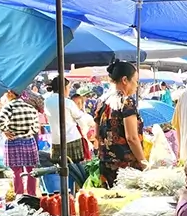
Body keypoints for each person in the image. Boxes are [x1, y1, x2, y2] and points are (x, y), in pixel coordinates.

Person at [94, 60, 146, 188]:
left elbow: (97, 135)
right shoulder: (126, 102)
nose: (137, 85)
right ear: (125, 80)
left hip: (106, 165)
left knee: (109, 199)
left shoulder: (102, 101)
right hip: (126, 169)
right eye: (136, 81)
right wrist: (144, 163)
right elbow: (132, 138)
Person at [0, 89, 41, 196]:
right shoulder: (30, 107)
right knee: (31, 170)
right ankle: (31, 195)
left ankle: (19, 195)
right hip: (29, 140)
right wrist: (28, 132)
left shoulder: (8, 107)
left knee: (16, 171)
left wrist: (5, 131)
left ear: (11, 94)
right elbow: (36, 127)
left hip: (13, 140)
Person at [45, 75, 87, 166]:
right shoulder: (68, 102)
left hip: (56, 140)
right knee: (75, 168)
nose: (69, 90)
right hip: (72, 138)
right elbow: (81, 121)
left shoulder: (46, 102)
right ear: (64, 88)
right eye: (68, 88)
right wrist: (84, 131)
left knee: (59, 168)